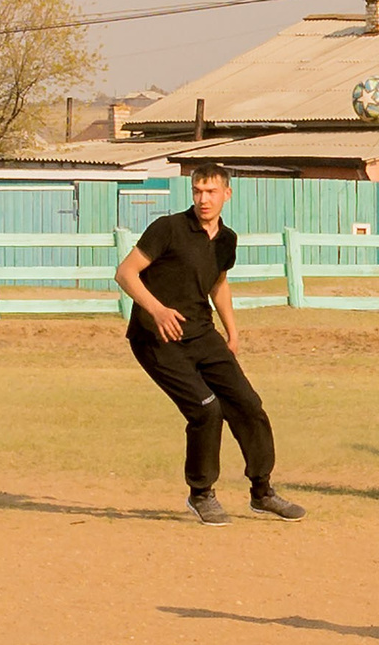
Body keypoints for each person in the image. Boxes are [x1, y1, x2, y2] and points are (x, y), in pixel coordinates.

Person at [114, 164, 305, 527]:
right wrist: (156, 310)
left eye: (211, 192)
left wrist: (232, 333)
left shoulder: (226, 239)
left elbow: (218, 284)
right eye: (198, 191)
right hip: (157, 338)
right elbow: (125, 273)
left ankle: (262, 492)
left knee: (249, 405)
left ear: (226, 195)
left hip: (203, 333)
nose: (203, 199)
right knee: (206, 410)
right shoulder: (167, 228)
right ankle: (201, 494)